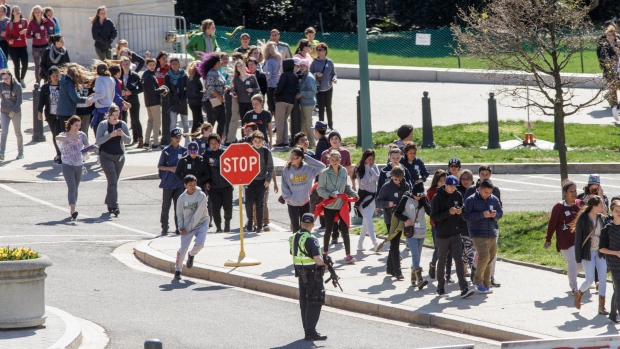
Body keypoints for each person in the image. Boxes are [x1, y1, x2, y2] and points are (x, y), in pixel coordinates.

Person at [431, 175, 475, 298]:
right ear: (445, 184)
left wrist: (460, 212)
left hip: (455, 233)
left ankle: (464, 288)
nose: (452, 188)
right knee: (443, 260)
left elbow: (462, 211)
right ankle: (440, 287)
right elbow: (434, 216)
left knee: (459, 260)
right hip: (442, 234)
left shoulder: (458, 195)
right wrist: (448, 212)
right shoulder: (437, 197)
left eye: (455, 186)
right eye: (450, 185)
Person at [289, 213, 327, 341]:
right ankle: (310, 332)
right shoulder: (311, 239)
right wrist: (325, 264)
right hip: (313, 275)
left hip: (301, 274)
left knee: (304, 301)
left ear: (301, 224)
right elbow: (317, 259)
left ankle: (307, 329)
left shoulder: (293, 237)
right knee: (315, 301)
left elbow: (293, 253)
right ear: (313, 225)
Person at [316, 150, 359, 264]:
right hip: (330, 205)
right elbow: (320, 189)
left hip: (342, 204)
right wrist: (329, 194)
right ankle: (325, 252)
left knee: (345, 230)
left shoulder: (344, 171)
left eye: (337, 159)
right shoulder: (325, 173)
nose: (334, 162)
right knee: (328, 229)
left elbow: (346, 187)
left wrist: (353, 193)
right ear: (328, 160)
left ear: (340, 160)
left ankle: (348, 255)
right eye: (332, 159)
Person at [464, 165, 502, 287]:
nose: (488, 195)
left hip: (491, 231)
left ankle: (487, 282)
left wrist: (495, 215)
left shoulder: (494, 198)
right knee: (484, 256)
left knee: (490, 258)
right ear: (480, 189)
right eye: (486, 192)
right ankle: (478, 281)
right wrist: (482, 215)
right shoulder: (471, 199)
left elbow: (500, 213)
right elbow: (466, 216)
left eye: (490, 192)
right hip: (477, 232)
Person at [545, 179, 583, 294]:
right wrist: (548, 239)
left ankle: (571, 278)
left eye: (575, 190)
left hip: (578, 240)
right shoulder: (559, 207)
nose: (574, 193)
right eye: (571, 191)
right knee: (572, 262)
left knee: (580, 264)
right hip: (565, 242)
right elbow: (552, 224)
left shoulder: (580, 204)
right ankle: (574, 287)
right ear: (565, 193)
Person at [55, 116, 96, 220]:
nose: (78, 127)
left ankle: (73, 208)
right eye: (76, 125)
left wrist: (90, 149)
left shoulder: (82, 135)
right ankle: (73, 210)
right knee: (72, 187)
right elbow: (57, 138)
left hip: (79, 164)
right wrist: (70, 138)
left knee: (76, 188)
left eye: (79, 125)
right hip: (67, 164)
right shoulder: (64, 135)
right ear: (71, 125)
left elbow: (86, 147)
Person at [573, 195, 608, 314]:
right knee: (590, 280)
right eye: (601, 205)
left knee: (603, 278)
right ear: (594, 206)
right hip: (587, 253)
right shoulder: (583, 219)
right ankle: (579, 294)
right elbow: (578, 239)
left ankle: (601, 306)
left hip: (599, 252)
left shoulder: (601, 218)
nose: (602, 206)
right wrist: (578, 256)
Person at [96, 105, 130, 216]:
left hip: (119, 156)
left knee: (114, 182)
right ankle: (115, 206)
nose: (115, 117)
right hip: (106, 156)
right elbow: (98, 140)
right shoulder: (103, 125)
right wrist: (111, 135)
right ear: (109, 115)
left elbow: (129, 140)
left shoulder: (122, 124)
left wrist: (122, 135)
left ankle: (109, 201)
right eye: (113, 115)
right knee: (112, 181)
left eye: (117, 115)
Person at [395, 181, 431, 289]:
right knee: (415, 254)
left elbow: (430, 212)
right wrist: (406, 219)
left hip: (421, 231)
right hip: (410, 231)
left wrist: (424, 201)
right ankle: (420, 279)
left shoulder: (423, 199)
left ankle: (413, 277)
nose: (418, 198)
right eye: (416, 195)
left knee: (418, 255)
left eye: (420, 196)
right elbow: (397, 213)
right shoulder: (406, 199)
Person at [376, 166, 410, 278]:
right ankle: (397, 271)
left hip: (402, 217)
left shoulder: (406, 186)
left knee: (395, 242)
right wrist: (388, 204)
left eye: (399, 179)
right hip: (390, 218)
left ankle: (390, 268)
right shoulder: (386, 187)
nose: (397, 181)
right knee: (395, 243)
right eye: (395, 179)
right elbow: (378, 201)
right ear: (392, 176)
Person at [174, 174, 210, 280]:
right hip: (186, 226)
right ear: (185, 185)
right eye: (190, 185)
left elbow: (198, 214)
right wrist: (181, 227)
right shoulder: (181, 198)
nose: (193, 187)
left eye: (194, 184)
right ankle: (178, 270)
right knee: (183, 248)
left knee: (200, 244)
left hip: (201, 222)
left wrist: (188, 228)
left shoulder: (201, 196)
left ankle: (192, 254)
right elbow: (179, 214)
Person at [281, 147, 325, 232]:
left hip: (305, 202)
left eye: (294, 158)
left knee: (304, 227)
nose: (291, 159)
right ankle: (294, 244)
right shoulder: (286, 169)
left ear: (300, 158)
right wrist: (288, 198)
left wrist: (306, 157)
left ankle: (304, 244)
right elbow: (284, 186)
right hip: (291, 203)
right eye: (290, 157)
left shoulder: (308, 168)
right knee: (295, 228)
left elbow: (322, 166)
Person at [243, 130, 274, 233]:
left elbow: (270, 168)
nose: (257, 143)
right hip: (250, 181)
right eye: (255, 141)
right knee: (249, 203)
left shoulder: (266, 152)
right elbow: (243, 166)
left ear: (263, 141)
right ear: (252, 141)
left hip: (261, 181)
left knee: (260, 203)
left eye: (259, 141)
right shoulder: (248, 151)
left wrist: (268, 179)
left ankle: (260, 225)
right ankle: (250, 222)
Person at [158, 128, 187, 235]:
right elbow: (160, 166)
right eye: (176, 137)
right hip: (168, 183)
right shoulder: (166, 151)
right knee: (166, 206)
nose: (178, 139)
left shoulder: (183, 150)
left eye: (179, 137)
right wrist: (170, 168)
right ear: (171, 138)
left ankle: (178, 227)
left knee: (178, 207)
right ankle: (164, 227)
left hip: (178, 183)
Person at [203, 134, 232, 233]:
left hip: (226, 185)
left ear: (219, 143)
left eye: (215, 143)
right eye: (211, 143)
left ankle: (227, 224)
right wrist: (206, 182)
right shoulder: (206, 155)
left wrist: (217, 163)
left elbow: (230, 166)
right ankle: (218, 227)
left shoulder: (225, 153)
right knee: (216, 208)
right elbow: (205, 171)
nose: (213, 145)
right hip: (214, 186)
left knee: (228, 207)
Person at [87, 63, 127, 136]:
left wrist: (90, 100)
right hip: (110, 107)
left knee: (100, 133)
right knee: (109, 131)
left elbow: (101, 93)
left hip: (102, 109)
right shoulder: (111, 79)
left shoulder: (99, 79)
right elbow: (112, 93)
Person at [351, 149, 380, 251]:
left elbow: (378, 179)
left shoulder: (374, 166)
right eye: (369, 159)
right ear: (365, 159)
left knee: (366, 221)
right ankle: (375, 243)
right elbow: (363, 182)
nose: (371, 161)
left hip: (372, 197)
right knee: (369, 219)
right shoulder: (359, 168)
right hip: (363, 198)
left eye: (372, 159)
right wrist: (367, 168)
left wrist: (371, 168)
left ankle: (360, 244)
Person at [57, 63, 90, 149]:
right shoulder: (69, 83)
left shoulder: (64, 80)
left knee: (66, 134)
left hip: (63, 111)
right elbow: (75, 98)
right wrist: (87, 100)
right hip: (67, 112)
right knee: (69, 135)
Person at [427, 169, 452, 281]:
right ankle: (433, 265)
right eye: (440, 181)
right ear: (436, 181)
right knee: (438, 248)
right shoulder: (431, 192)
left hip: (448, 223)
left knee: (449, 249)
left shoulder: (450, 190)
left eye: (444, 180)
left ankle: (447, 274)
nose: (442, 183)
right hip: (436, 224)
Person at [599, 199, 620, 323]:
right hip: (614, 263)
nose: (619, 213)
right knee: (619, 288)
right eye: (617, 211)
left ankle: (613, 314)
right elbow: (601, 248)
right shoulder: (607, 229)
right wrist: (615, 253)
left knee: (618, 288)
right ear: (612, 212)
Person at [143, 57, 169, 150]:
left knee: (150, 122)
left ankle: (146, 143)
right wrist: (163, 89)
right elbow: (153, 91)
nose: (152, 66)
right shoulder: (149, 76)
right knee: (156, 123)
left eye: (154, 64)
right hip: (154, 102)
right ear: (147, 65)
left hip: (149, 102)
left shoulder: (146, 75)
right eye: (150, 65)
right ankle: (155, 144)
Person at [230, 59, 259, 143]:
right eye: (238, 66)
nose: (240, 67)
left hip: (251, 103)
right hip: (241, 102)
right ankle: (244, 139)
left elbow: (258, 89)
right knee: (244, 122)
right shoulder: (236, 79)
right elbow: (234, 90)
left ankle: (254, 138)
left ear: (244, 66)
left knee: (252, 122)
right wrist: (233, 93)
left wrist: (252, 89)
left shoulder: (251, 77)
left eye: (241, 65)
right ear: (237, 69)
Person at [198, 53, 227, 138]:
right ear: (216, 62)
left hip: (219, 101)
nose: (221, 62)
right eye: (220, 60)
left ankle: (218, 139)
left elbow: (220, 84)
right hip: (212, 101)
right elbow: (210, 88)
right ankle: (208, 140)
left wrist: (225, 88)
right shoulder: (211, 73)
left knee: (222, 120)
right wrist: (219, 97)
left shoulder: (217, 72)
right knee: (211, 122)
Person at [37, 66, 61, 163]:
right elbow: (41, 100)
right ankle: (58, 153)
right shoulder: (46, 87)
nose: (55, 77)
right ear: (50, 76)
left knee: (61, 134)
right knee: (55, 134)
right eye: (53, 76)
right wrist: (39, 111)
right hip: (51, 114)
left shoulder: (63, 85)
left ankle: (62, 153)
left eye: (57, 75)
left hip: (62, 113)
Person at [310, 43, 337, 129]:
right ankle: (322, 127)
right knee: (321, 107)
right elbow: (310, 73)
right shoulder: (314, 62)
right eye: (317, 50)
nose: (318, 51)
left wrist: (334, 79)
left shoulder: (329, 62)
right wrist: (316, 73)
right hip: (319, 88)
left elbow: (334, 73)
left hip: (328, 87)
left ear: (325, 51)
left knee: (328, 106)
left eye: (320, 50)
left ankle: (330, 125)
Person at [26, 5, 53, 85]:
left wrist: (46, 16)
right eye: (35, 12)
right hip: (36, 47)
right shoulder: (32, 23)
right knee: (37, 65)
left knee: (44, 64)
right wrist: (34, 35)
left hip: (44, 45)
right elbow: (27, 35)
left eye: (38, 12)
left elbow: (52, 24)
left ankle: (45, 80)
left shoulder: (45, 21)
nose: (37, 13)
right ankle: (37, 81)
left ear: (41, 12)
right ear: (33, 13)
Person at [597, 25, 620, 119]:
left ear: (614, 36)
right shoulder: (604, 46)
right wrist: (611, 60)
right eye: (608, 35)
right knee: (613, 87)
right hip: (610, 71)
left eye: (611, 35)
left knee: (616, 86)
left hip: (619, 69)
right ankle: (614, 106)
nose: (609, 37)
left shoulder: (618, 44)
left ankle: (608, 96)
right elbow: (602, 57)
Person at [119, 56, 143, 147]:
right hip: (122, 101)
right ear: (121, 65)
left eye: (127, 64)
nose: (125, 65)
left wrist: (131, 92)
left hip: (133, 100)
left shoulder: (135, 76)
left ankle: (139, 139)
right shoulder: (119, 75)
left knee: (135, 119)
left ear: (130, 64)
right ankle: (124, 139)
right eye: (123, 64)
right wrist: (120, 92)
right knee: (122, 120)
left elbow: (141, 88)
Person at [165, 57, 190, 145]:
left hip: (182, 101)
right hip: (173, 102)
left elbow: (188, 88)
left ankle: (187, 142)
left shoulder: (183, 74)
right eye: (173, 64)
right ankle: (173, 142)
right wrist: (173, 97)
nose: (175, 66)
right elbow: (166, 89)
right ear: (170, 65)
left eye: (176, 64)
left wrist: (184, 98)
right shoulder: (168, 76)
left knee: (185, 123)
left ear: (179, 64)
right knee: (173, 123)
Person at [457, 169, 475, 278]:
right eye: (463, 179)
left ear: (472, 180)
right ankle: (469, 268)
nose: (465, 181)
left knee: (468, 247)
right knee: (465, 247)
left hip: (473, 223)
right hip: (461, 223)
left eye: (468, 179)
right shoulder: (458, 191)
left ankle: (467, 267)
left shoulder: (475, 190)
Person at [0, 68, 21, 160]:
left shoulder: (17, 86)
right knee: (4, 132)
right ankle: (1, 152)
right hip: (4, 111)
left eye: (7, 78)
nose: (6, 80)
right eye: (4, 79)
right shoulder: (1, 85)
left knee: (17, 132)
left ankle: (20, 151)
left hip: (15, 112)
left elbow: (19, 101)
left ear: (10, 76)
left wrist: (13, 111)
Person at [6, 6, 28, 88]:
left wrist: (26, 30)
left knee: (25, 64)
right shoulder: (10, 23)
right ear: (13, 13)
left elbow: (29, 31)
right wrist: (9, 40)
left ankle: (22, 78)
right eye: (15, 10)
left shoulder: (24, 21)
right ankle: (18, 82)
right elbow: (7, 36)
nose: (17, 11)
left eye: (18, 10)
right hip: (13, 47)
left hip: (23, 46)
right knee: (17, 65)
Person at [297, 59, 316, 148]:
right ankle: (305, 144)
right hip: (304, 103)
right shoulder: (303, 76)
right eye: (300, 66)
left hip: (308, 103)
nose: (302, 67)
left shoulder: (309, 77)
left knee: (308, 124)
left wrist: (301, 94)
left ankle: (312, 143)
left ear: (307, 67)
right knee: (304, 124)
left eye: (304, 66)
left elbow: (312, 91)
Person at [263, 41, 282, 115]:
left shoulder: (269, 61)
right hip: (277, 82)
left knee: (270, 104)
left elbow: (269, 75)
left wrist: (263, 74)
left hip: (270, 85)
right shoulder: (278, 59)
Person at [187, 61, 204, 133]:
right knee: (197, 121)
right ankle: (193, 137)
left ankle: (196, 136)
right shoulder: (195, 79)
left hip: (193, 102)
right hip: (195, 102)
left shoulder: (192, 77)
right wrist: (204, 92)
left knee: (199, 120)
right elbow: (195, 92)